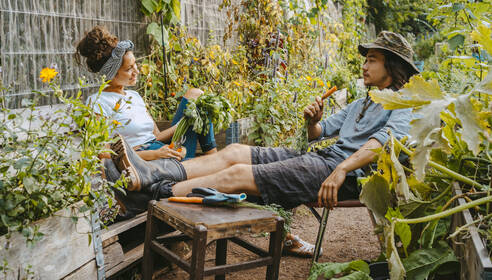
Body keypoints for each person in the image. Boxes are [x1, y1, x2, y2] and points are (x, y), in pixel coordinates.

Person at [108, 31, 420, 256]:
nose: (364, 66)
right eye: (365, 59)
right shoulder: (363, 102)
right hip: (320, 158)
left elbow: (383, 143)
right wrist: (313, 120)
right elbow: (318, 133)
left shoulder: (404, 103)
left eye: (372, 60)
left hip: (343, 174)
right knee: (233, 152)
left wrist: (342, 170)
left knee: (238, 174)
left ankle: (145, 198)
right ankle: (148, 174)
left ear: (392, 67)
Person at [76, 26, 218, 169]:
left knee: (197, 96)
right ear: (111, 74)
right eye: (129, 69)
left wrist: (183, 123)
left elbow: (155, 136)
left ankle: (212, 157)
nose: (136, 71)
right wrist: (155, 154)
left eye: (135, 65)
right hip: (144, 161)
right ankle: (212, 164)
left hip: (163, 151)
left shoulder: (134, 96)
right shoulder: (98, 102)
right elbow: (103, 154)